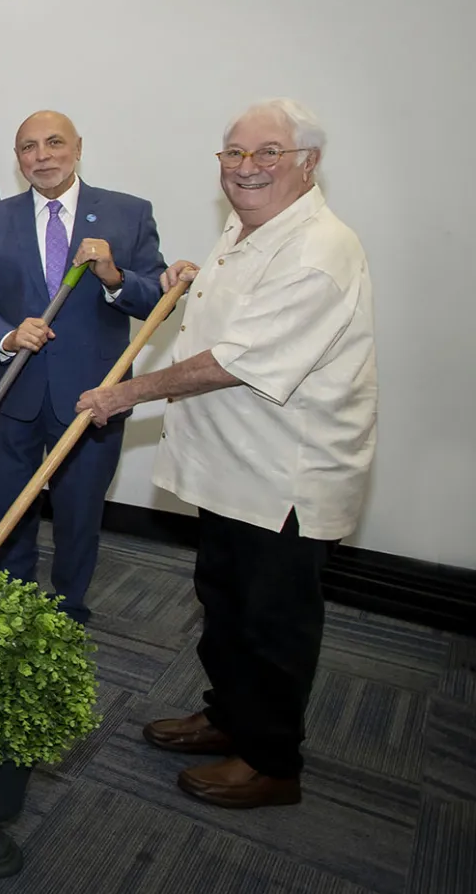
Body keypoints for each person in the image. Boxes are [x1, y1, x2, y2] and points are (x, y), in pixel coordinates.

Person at [77, 99, 375, 809]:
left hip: (285, 477)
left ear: (308, 164)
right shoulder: (248, 230)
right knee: (224, 603)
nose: (247, 169)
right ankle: (227, 718)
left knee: (273, 622)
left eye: (266, 153)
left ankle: (271, 760)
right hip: (232, 468)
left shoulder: (318, 249)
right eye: (234, 154)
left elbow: (235, 360)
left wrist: (127, 392)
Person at [0, 111, 165, 623]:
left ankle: (68, 606)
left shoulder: (128, 213)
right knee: (10, 507)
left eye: (53, 143)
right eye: (28, 147)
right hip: (14, 389)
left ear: (77, 147)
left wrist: (114, 275)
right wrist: (6, 335)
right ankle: (13, 602)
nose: (41, 156)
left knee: (79, 512)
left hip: (92, 396)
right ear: (17, 157)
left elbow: (156, 297)